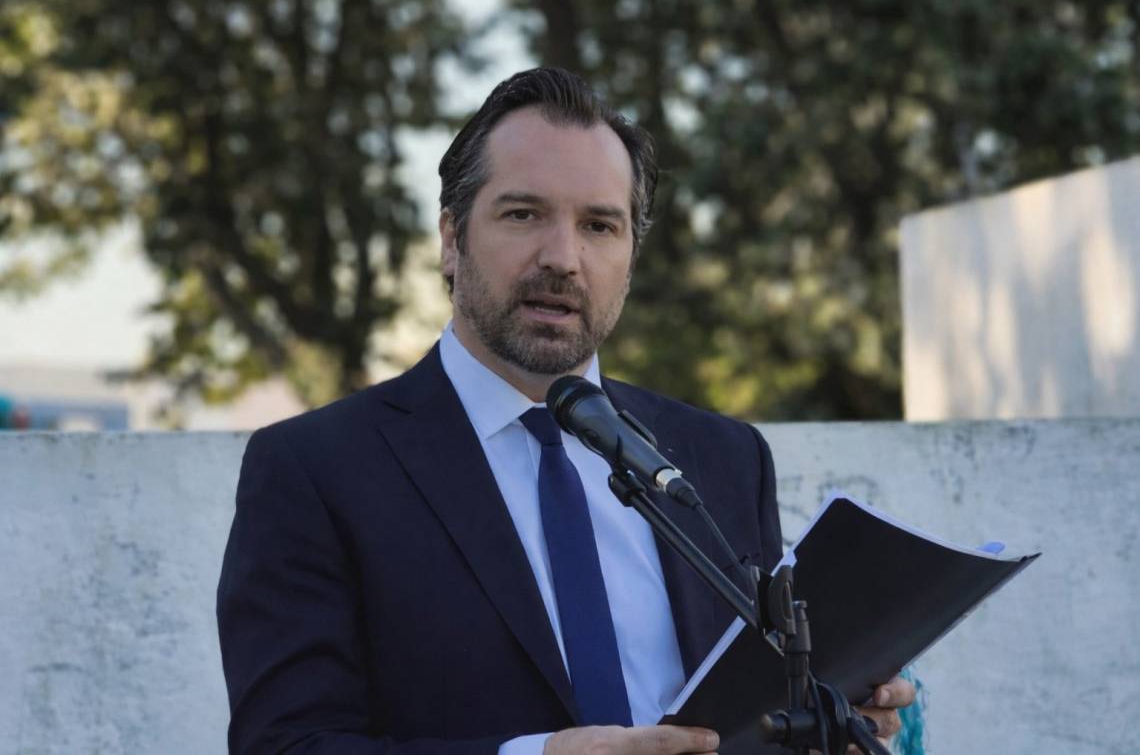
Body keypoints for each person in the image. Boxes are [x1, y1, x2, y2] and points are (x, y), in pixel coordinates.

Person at [216, 67, 914, 754]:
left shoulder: (722, 457)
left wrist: (827, 719)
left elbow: (751, 713)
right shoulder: (317, 471)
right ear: (452, 239)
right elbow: (286, 745)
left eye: (600, 226)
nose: (564, 258)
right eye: (524, 214)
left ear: (632, 257)